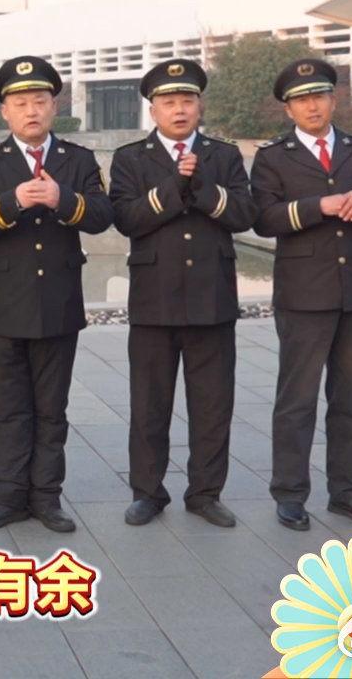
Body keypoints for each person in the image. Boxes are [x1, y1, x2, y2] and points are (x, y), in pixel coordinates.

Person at [0, 55, 115, 533]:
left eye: (40, 101)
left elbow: (102, 216)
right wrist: (13, 202)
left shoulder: (78, 160)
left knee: (51, 408)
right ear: (5, 111)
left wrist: (62, 199)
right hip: (4, 304)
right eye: (21, 102)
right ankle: (7, 495)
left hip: (58, 301)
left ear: (54, 107)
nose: (31, 110)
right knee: (8, 408)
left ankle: (47, 496)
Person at [250, 59, 352, 533]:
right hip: (302, 293)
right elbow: (263, 219)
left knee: (350, 400)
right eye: (301, 100)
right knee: (297, 400)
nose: (311, 105)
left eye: (319, 96)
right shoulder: (273, 156)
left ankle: (347, 493)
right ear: (288, 109)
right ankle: (290, 494)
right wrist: (319, 206)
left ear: (334, 100)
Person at [108, 59, 256, 529]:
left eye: (187, 100)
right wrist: (176, 186)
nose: (179, 109)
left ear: (199, 106)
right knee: (149, 405)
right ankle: (147, 492)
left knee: (212, 405)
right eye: (169, 102)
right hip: (154, 299)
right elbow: (128, 220)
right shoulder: (131, 158)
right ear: (152, 110)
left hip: (212, 297)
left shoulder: (223, 155)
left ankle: (205, 494)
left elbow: (244, 215)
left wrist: (203, 186)